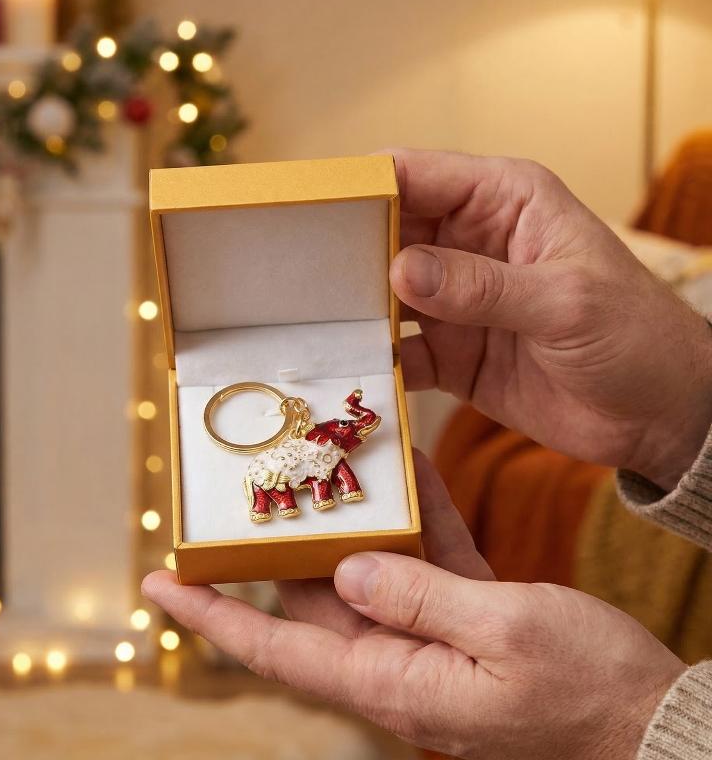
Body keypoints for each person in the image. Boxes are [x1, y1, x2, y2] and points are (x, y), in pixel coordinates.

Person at [143, 149, 712, 760]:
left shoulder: (330, 436)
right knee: (295, 484)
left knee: (327, 480)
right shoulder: (309, 441)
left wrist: (634, 721)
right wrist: (686, 417)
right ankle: (271, 504)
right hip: (290, 463)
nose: (356, 433)